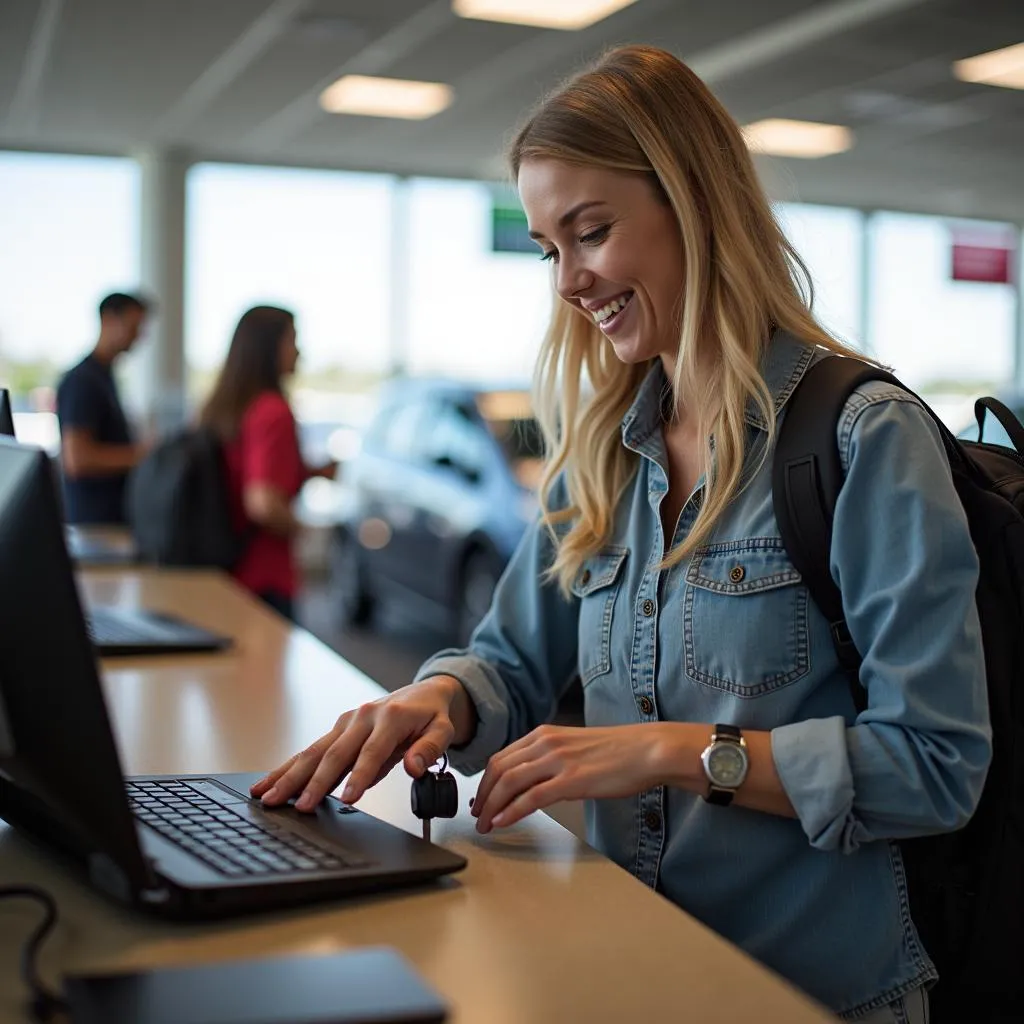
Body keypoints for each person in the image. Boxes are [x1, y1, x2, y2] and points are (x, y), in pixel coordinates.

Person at [251, 46, 990, 1022]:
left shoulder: (862, 438)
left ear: (691, 205)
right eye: (549, 248)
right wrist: (436, 699)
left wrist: (674, 751)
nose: (567, 280)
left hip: (811, 992)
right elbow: (510, 661)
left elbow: (936, 767)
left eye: (589, 232)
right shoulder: (601, 448)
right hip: (620, 960)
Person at [199, 305, 335, 621]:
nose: (299, 352)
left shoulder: (222, 408)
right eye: (292, 340)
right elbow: (263, 501)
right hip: (263, 575)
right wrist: (302, 529)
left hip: (225, 571)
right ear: (268, 347)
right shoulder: (272, 410)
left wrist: (310, 471)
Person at [56, 291, 151, 524]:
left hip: (110, 519)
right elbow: (77, 459)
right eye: (133, 326)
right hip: (93, 524)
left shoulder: (105, 377)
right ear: (108, 320)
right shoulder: (83, 380)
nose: (138, 336)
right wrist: (142, 455)